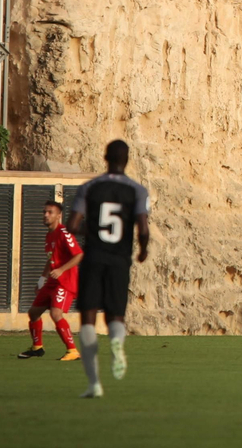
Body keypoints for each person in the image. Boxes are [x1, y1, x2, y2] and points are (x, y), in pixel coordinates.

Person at [67, 139, 150, 399]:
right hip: (119, 260)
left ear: (105, 157)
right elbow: (143, 229)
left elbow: (72, 225)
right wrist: (143, 250)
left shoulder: (89, 187)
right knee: (116, 316)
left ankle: (94, 384)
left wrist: (90, 231)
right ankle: (117, 343)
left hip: (93, 257)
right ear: (127, 160)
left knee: (88, 319)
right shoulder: (138, 190)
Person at [16, 199, 83, 361]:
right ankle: (37, 347)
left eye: (50, 212)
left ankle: (73, 351)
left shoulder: (64, 232)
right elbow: (51, 258)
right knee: (33, 313)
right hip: (52, 282)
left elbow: (79, 255)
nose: (45, 215)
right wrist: (42, 278)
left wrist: (61, 270)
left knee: (56, 313)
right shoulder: (49, 235)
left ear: (59, 216)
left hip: (65, 282)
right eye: (44, 212)